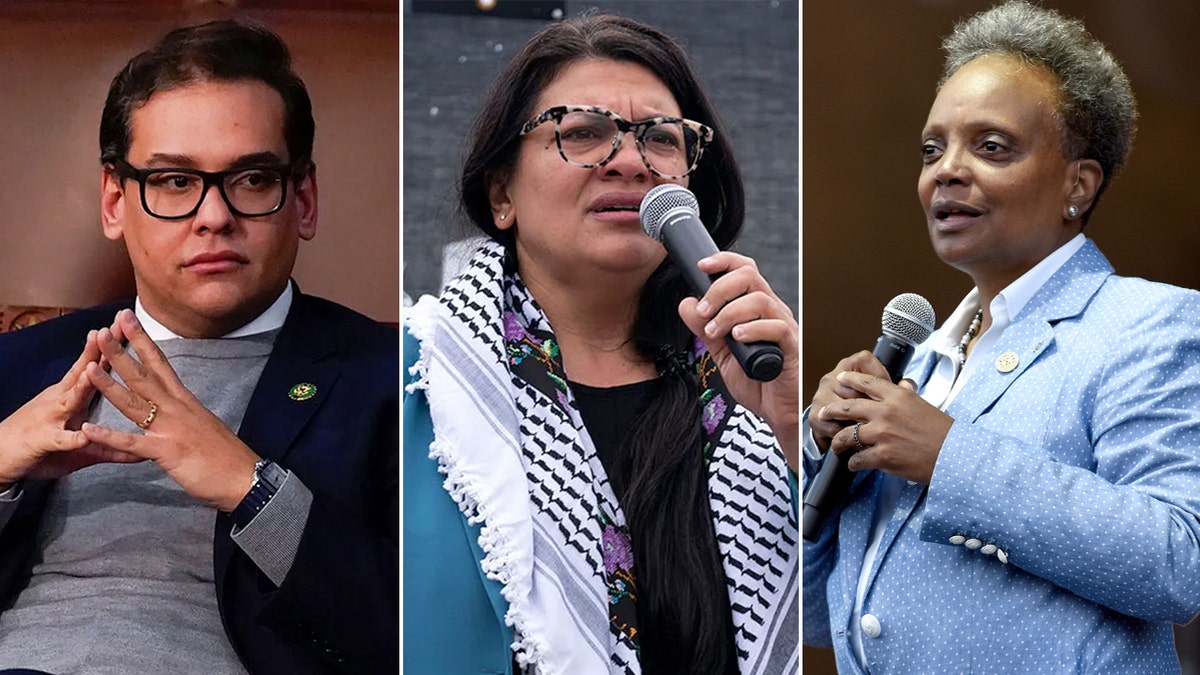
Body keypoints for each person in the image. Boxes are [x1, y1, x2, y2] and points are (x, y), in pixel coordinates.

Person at [802, 1, 1200, 672]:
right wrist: (822, 457)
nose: (946, 170)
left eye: (991, 146)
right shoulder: (921, 368)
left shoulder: (1148, 322)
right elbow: (821, 618)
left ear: (1078, 183)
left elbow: (1176, 561)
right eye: (933, 148)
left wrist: (948, 454)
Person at [403, 12, 799, 675]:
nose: (629, 161)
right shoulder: (422, 383)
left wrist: (792, 430)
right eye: (583, 133)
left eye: (661, 140)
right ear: (501, 193)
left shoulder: (751, 378)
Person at [0, 20, 398, 675]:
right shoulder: (18, 368)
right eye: (175, 182)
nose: (214, 215)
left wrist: (252, 488)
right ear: (113, 201)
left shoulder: (390, 382)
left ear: (303, 199)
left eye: (251, 179)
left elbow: (413, 634)